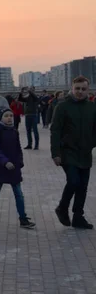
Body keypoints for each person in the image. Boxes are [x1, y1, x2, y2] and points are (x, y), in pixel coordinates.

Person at [51, 76, 96, 229]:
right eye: (77, 88)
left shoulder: (92, 107)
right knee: (73, 181)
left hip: (85, 152)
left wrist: (91, 142)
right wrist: (55, 152)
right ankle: (62, 208)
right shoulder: (62, 107)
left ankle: (78, 216)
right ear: (72, 89)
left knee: (83, 186)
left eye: (83, 89)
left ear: (88, 90)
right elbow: (55, 130)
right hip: (67, 152)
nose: (80, 92)